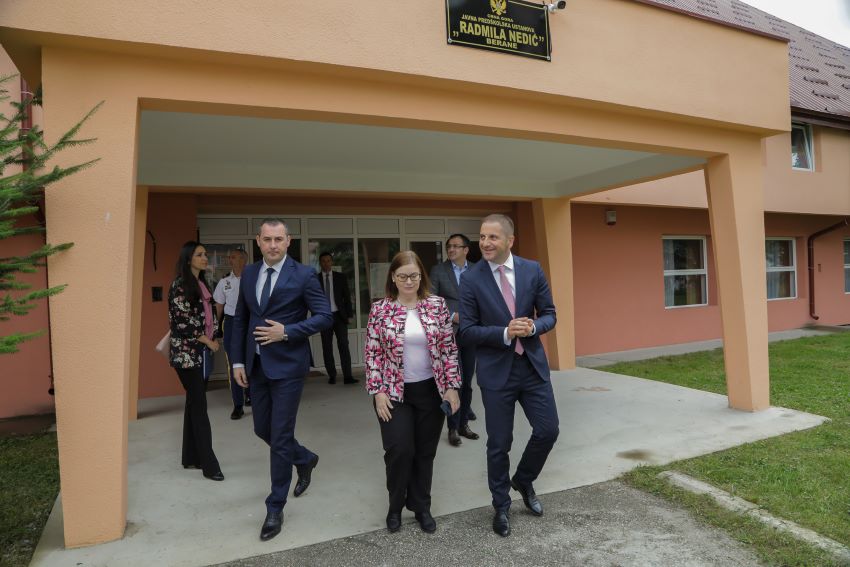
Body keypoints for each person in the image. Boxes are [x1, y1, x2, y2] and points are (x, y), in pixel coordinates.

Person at [230, 218, 333, 542]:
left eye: (278, 239)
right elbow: (241, 320)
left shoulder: (303, 275)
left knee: (280, 433)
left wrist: (287, 331)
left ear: (288, 241)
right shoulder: (249, 273)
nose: (273, 245)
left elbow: (324, 316)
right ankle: (304, 458)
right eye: (267, 239)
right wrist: (237, 361)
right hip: (256, 366)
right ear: (258, 241)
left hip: (288, 367)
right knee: (263, 429)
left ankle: (275, 506)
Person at [458, 214, 559, 538]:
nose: (485, 243)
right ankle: (501, 505)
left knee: (548, 430)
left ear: (510, 241)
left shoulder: (532, 270)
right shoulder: (471, 279)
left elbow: (550, 314)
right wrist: (504, 332)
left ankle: (524, 480)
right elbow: (467, 331)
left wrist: (534, 327)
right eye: (482, 237)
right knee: (499, 443)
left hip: (531, 366)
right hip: (496, 372)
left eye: (493, 237)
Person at [365, 251, 461, 534]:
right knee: (399, 450)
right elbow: (372, 354)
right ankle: (395, 506)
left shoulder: (437, 306)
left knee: (425, 452)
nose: (409, 281)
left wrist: (452, 387)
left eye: (414, 276)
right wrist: (378, 391)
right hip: (394, 393)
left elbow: (449, 349)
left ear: (422, 276)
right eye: (403, 276)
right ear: (393, 278)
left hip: (431, 390)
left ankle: (421, 507)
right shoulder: (380, 309)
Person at [167, 241, 224, 482]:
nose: (205, 258)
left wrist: (215, 335)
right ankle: (209, 464)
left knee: (193, 403)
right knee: (199, 406)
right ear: (188, 258)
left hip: (202, 352)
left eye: (205, 254)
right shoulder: (179, 285)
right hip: (187, 354)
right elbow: (183, 322)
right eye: (199, 254)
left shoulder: (203, 283)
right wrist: (208, 341)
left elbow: (209, 316)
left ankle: (191, 456)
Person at [430, 233, 479, 447]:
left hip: (471, 332)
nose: (451, 249)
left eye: (456, 246)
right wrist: (451, 315)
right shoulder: (438, 270)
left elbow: (483, 298)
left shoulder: (478, 270)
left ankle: (463, 424)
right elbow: (431, 300)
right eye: (449, 246)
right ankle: (452, 428)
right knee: (454, 381)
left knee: (467, 382)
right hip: (449, 332)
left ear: (466, 250)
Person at [214, 248, 250, 420]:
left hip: (250, 322)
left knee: (251, 359)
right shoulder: (224, 282)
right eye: (230, 257)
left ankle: (250, 394)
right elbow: (219, 306)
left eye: (234, 257)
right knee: (234, 362)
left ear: (243, 259)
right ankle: (238, 404)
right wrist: (215, 327)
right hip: (231, 322)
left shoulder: (254, 278)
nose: (230, 260)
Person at [317, 252, 357, 385]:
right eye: (323, 261)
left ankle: (348, 376)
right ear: (320, 263)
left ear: (332, 262)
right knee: (326, 346)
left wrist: (350, 315)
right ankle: (332, 375)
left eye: (328, 260)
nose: (326, 263)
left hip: (339, 316)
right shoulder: (315, 279)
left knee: (344, 345)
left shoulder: (340, 277)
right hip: (324, 317)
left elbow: (347, 297)